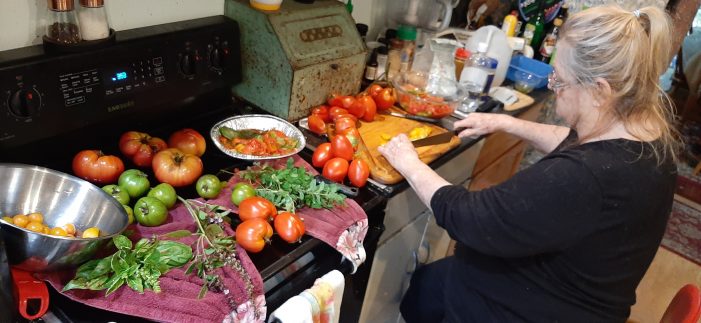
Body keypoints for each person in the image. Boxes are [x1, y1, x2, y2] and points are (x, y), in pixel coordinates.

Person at [377, 5, 681, 322]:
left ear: (599, 91)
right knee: (427, 288)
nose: (553, 87)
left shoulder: (583, 177)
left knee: (426, 294)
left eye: (560, 81)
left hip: (536, 309)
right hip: (562, 292)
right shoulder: (647, 141)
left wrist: (409, 163)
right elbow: (582, 144)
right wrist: (508, 124)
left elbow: (470, 218)